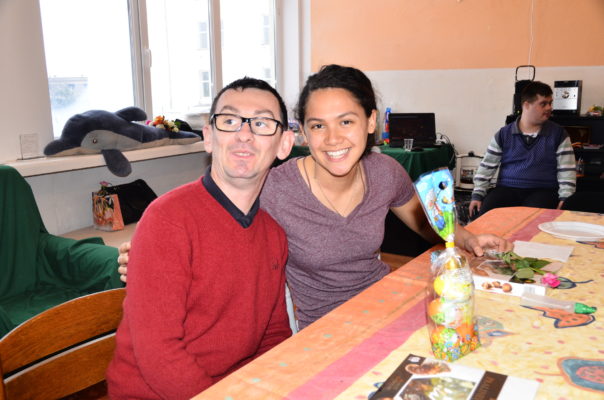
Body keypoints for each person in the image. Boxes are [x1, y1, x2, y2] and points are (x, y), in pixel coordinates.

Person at [119, 65, 512, 331]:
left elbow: (427, 221)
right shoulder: (275, 187)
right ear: (302, 134)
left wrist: (467, 238)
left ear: (371, 122)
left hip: (385, 305)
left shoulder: (384, 172)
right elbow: (210, 213)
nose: (333, 139)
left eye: (347, 121)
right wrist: (150, 250)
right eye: (318, 126)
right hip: (322, 327)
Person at [106, 77, 295, 399]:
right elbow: (159, 354)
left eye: (262, 123)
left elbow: (273, 335)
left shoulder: (273, 235)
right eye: (229, 121)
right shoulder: (168, 220)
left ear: (284, 145)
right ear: (208, 137)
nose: (244, 134)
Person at [469, 81, 576, 217]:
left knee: (530, 218)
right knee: (486, 214)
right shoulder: (503, 134)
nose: (549, 108)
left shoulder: (558, 134)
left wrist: (565, 197)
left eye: (550, 103)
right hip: (507, 189)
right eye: (543, 104)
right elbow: (487, 166)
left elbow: (567, 170)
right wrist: (477, 194)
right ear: (526, 105)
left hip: (543, 191)